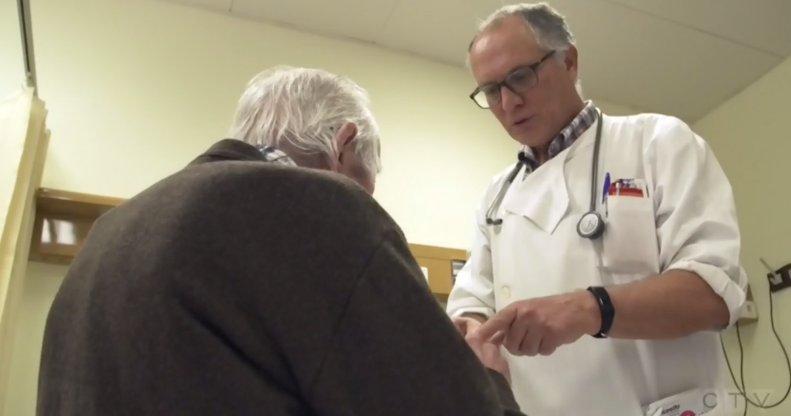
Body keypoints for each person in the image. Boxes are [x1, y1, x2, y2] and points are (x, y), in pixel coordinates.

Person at [36, 67, 524, 416]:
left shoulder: (111, 231)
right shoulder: (320, 207)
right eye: (362, 183)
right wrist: (488, 377)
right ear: (342, 144)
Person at [449, 3, 747, 416]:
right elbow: (471, 303)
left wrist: (589, 309)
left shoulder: (658, 143)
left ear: (568, 61)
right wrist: (469, 326)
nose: (507, 102)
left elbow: (713, 293)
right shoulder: (496, 198)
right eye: (491, 90)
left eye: (520, 77)